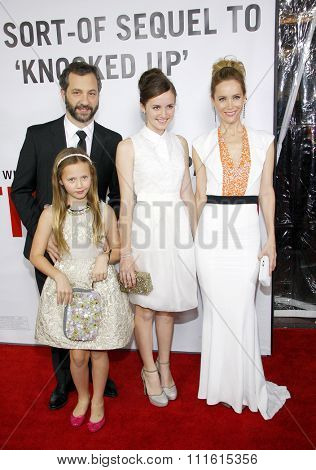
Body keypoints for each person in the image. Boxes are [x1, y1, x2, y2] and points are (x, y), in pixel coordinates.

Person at [11, 61, 120, 410]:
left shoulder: (112, 140)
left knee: (97, 316)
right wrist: (49, 230)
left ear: (99, 95)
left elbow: (114, 196)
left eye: (92, 92)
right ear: (63, 94)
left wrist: (109, 240)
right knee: (61, 318)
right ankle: (63, 384)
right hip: (54, 253)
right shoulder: (38, 134)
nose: (84, 99)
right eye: (77, 91)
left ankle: (99, 379)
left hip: (93, 252)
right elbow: (20, 189)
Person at [193, 58, 291, 419]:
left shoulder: (265, 141)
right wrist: (187, 242)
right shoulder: (200, 143)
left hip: (247, 234)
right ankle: (219, 387)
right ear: (212, 101)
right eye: (222, 98)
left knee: (241, 310)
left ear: (246, 97)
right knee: (218, 314)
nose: (230, 105)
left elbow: (266, 193)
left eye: (236, 97)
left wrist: (271, 241)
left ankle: (247, 386)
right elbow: (199, 196)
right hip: (212, 236)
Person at [30, 148, 133, 431]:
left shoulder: (104, 210)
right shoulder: (51, 214)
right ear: (60, 181)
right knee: (76, 354)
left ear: (92, 177)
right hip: (68, 289)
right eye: (72, 179)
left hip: (98, 287)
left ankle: (98, 399)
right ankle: (83, 396)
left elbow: (117, 248)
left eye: (84, 178)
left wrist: (104, 256)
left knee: (99, 351)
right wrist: (58, 275)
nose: (79, 185)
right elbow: (36, 255)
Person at [116, 68, 197, 407]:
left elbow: (188, 195)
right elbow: (127, 202)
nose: (164, 114)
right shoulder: (128, 146)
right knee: (146, 309)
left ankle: (165, 366)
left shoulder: (181, 143)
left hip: (177, 238)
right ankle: (148, 369)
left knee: (167, 310)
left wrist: (196, 240)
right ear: (142, 107)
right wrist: (126, 253)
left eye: (170, 106)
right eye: (156, 107)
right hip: (145, 238)